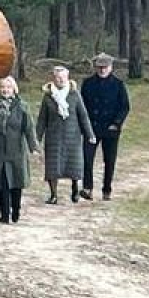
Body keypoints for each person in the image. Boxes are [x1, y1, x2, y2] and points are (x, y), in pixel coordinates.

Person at [37, 64, 94, 204]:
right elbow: (42, 119)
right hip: (53, 137)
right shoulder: (48, 97)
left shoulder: (75, 95)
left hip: (72, 137)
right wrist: (36, 139)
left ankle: (75, 189)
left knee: (74, 165)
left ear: (67, 77)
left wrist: (90, 134)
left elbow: (83, 116)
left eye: (63, 77)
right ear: (53, 79)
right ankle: (53, 195)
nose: (60, 80)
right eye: (57, 78)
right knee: (52, 167)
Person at [0, 75, 36, 224]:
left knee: (16, 182)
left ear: (14, 89)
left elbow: (29, 128)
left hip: (16, 150)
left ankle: (16, 211)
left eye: (8, 87)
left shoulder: (22, 106)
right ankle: (4, 214)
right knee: (2, 184)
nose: (5, 90)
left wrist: (33, 146)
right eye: (2, 87)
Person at [79, 51, 129, 200]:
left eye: (105, 67)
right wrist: (84, 125)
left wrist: (116, 123)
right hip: (91, 127)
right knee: (87, 158)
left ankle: (107, 190)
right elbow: (82, 106)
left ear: (111, 67)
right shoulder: (87, 83)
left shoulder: (118, 85)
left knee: (109, 160)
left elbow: (125, 106)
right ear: (95, 67)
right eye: (99, 67)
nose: (102, 70)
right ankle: (87, 188)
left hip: (110, 128)